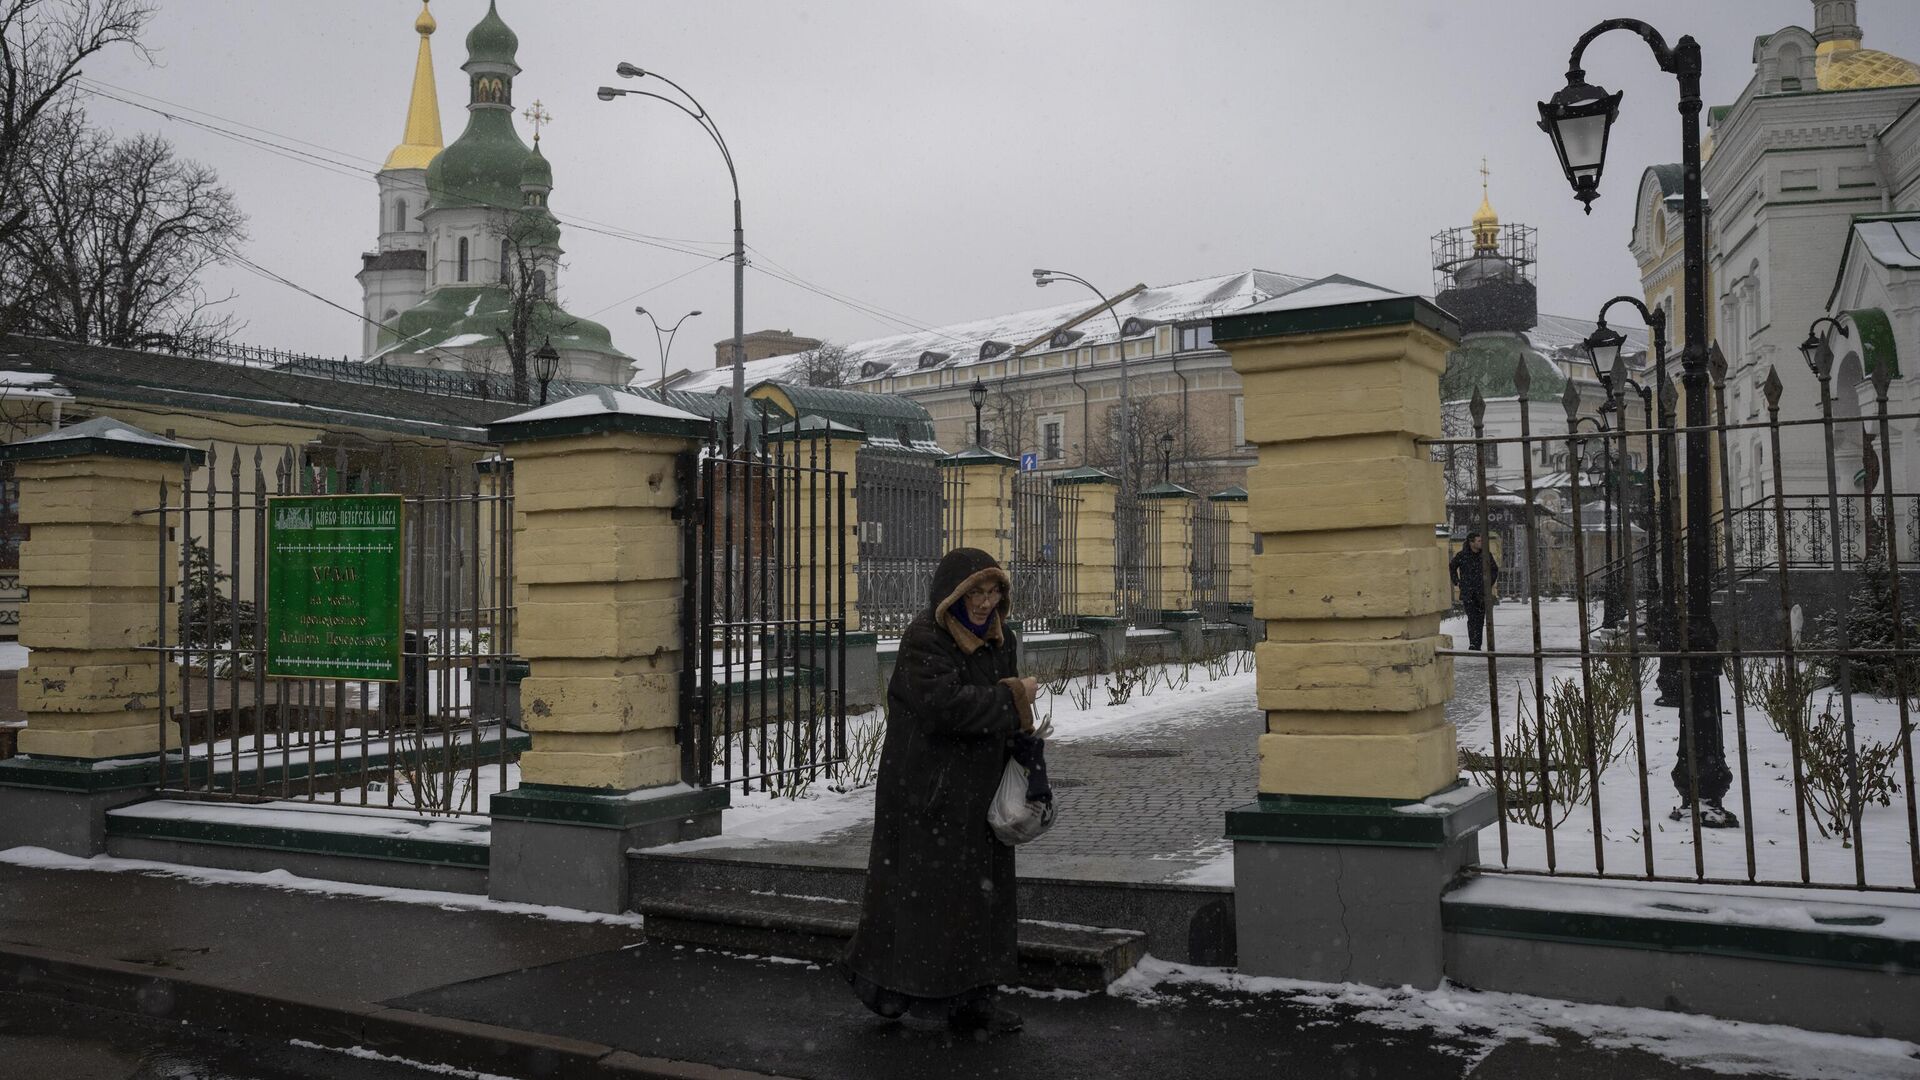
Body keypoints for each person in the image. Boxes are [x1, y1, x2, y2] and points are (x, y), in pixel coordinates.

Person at [841, 547, 1038, 1036]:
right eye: (975, 592)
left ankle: (975, 1000)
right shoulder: (924, 639)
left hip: (981, 797)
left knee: (980, 903)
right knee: (924, 902)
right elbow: (944, 707)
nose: (984, 603)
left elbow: (998, 714)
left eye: (993, 592)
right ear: (951, 594)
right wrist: (1012, 699)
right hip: (927, 795)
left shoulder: (1001, 638)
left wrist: (1029, 758)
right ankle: (885, 988)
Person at [1449, 532, 1499, 650]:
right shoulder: (1462, 555)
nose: (1481, 543)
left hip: (1482, 592)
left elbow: (1494, 570)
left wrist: (1488, 584)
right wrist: (1457, 582)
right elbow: (1452, 567)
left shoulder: (1486, 555)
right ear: (1471, 542)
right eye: (1479, 541)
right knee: (1472, 618)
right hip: (1468, 592)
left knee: (1480, 618)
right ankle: (1473, 643)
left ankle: (1477, 643)